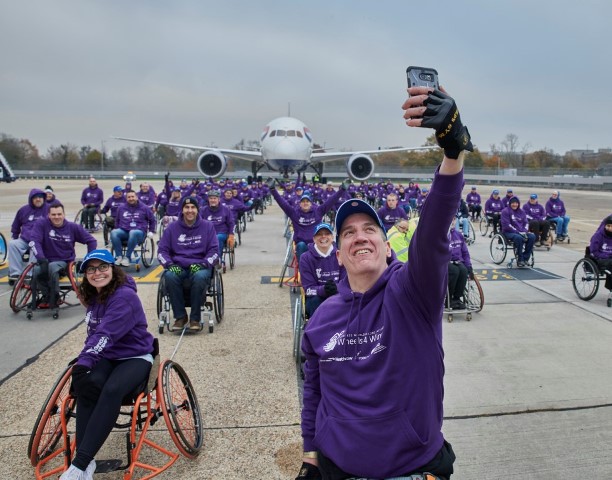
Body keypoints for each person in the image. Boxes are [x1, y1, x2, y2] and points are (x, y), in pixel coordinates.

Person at [297, 85, 471, 479]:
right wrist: (310, 450)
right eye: (348, 233)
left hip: (408, 469)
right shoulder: (322, 318)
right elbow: (314, 392)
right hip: (336, 467)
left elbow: (433, 226)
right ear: (339, 255)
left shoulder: (412, 293)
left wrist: (452, 152)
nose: (359, 236)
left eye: (370, 229)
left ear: (388, 247)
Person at [60, 249, 155, 480]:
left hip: (135, 355)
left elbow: (106, 333)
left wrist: (84, 362)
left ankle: (79, 464)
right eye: (91, 269)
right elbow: (93, 335)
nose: (97, 273)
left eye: (103, 267)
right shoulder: (95, 296)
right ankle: (87, 462)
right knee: (87, 386)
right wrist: (85, 363)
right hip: (107, 355)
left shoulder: (124, 296)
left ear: (113, 269)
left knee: (112, 389)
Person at [157, 197, 219, 331]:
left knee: (200, 276)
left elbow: (214, 251)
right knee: (170, 276)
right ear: (182, 210)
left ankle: (195, 318)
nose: (190, 210)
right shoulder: (172, 228)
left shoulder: (208, 226)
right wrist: (169, 264)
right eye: (187, 208)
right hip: (178, 265)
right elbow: (162, 251)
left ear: (197, 210)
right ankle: (180, 317)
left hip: (199, 265)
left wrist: (203, 264)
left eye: (193, 207)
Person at [28, 203, 97, 312]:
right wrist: (41, 258)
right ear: (49, 215)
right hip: (46, 259)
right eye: (53, 214)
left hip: (65, 261)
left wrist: (89, 259)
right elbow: (34, 241)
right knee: (36, 270)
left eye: (59, 214)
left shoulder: (72, 227)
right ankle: (47, 296)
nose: (56, 217)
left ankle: (55, 297)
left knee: (52, 267)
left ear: (64, 214)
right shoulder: (42, 224)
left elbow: (91, 241)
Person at [269, 181, 346, 262]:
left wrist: (342, 190)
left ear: (311, 203)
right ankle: (304, 268)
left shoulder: (318, 211)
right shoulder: (294, 213)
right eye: (303, 201)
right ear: (300, 203)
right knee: (301, 246)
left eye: (307, 201)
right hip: (302, 243)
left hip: (317, 242)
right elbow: (282, 202)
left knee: (332, 245)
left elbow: (331, 201)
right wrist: (273, 189)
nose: (305, 203)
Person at [298, 223, 344, 318]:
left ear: (332, 237)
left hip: (338, 295)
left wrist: (336, 289)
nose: (323, 237)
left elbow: (346, 282)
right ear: (314, 239)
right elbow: (308, 290)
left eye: (327, 234)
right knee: (315, 301)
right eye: (319, 234)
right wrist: (324, 290)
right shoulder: (305, 258)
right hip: (317, 298)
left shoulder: (342, 254)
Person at [8, 188, 48, 284]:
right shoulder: (23, 210)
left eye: (40, 197)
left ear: (43, 198)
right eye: (35, 198)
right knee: (13, 244)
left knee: (35, 247)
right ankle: (15, 273)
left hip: (40, 241)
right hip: (25, 239)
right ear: (31, 199)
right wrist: (15, 235)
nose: (38, 199)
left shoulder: (49, 209)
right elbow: (15, 226)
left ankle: (29, 274)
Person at [110, 191, 156, 267]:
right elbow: (117, 221)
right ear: (126, 198)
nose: (131, 199)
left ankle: (127, 257)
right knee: (114, 232)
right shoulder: (121, 208)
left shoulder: (144, 208)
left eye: (132, 197)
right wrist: (116, 230)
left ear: (136, 197)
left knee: (133, 232)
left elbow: (152, 219)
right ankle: (119, 256)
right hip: (124, 231)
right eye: (129, 197)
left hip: (139, 232)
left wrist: (151, 231)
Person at [200, 190, 235, 269]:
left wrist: (231, 235)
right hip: (207, 233)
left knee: (217, 238)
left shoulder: (226, 210)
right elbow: (198, 222)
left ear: (219, 199)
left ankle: (217, 259)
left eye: (214, 198)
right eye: (211, 198)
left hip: (221, 233)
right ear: (208, 199)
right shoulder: (203, 210)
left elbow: (231, 223)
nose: (213, 200)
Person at [500, 196, 535, 267]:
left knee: (532, 236)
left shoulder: (522, 212)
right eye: (513, 203)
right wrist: (517, 232)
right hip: (509, 232)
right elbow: (507, 225)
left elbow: (526, 223)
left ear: (518, 204)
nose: (514, 204)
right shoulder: (505, 211)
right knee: (519, 238)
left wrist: (524, 231)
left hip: (522, 232)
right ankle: (520, 259)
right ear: (510, 203)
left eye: (516, 203)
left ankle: (525, 258)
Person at [448, 218, 473, 310]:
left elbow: (465, 253)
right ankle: (448, 298)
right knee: (454, 271)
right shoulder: (439, 236)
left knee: (463, 271)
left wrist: (469, 265)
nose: (452, 221)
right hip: (444, 263)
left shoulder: (458, 235)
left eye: (453, 219)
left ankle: (457, 298)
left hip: (458, 261)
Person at [589, 215, 612, 291]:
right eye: (608, 226)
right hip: (600, 258)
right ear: (605, 225)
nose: (610, 228)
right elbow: (594, 251)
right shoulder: (598, 235)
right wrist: (606, 255)